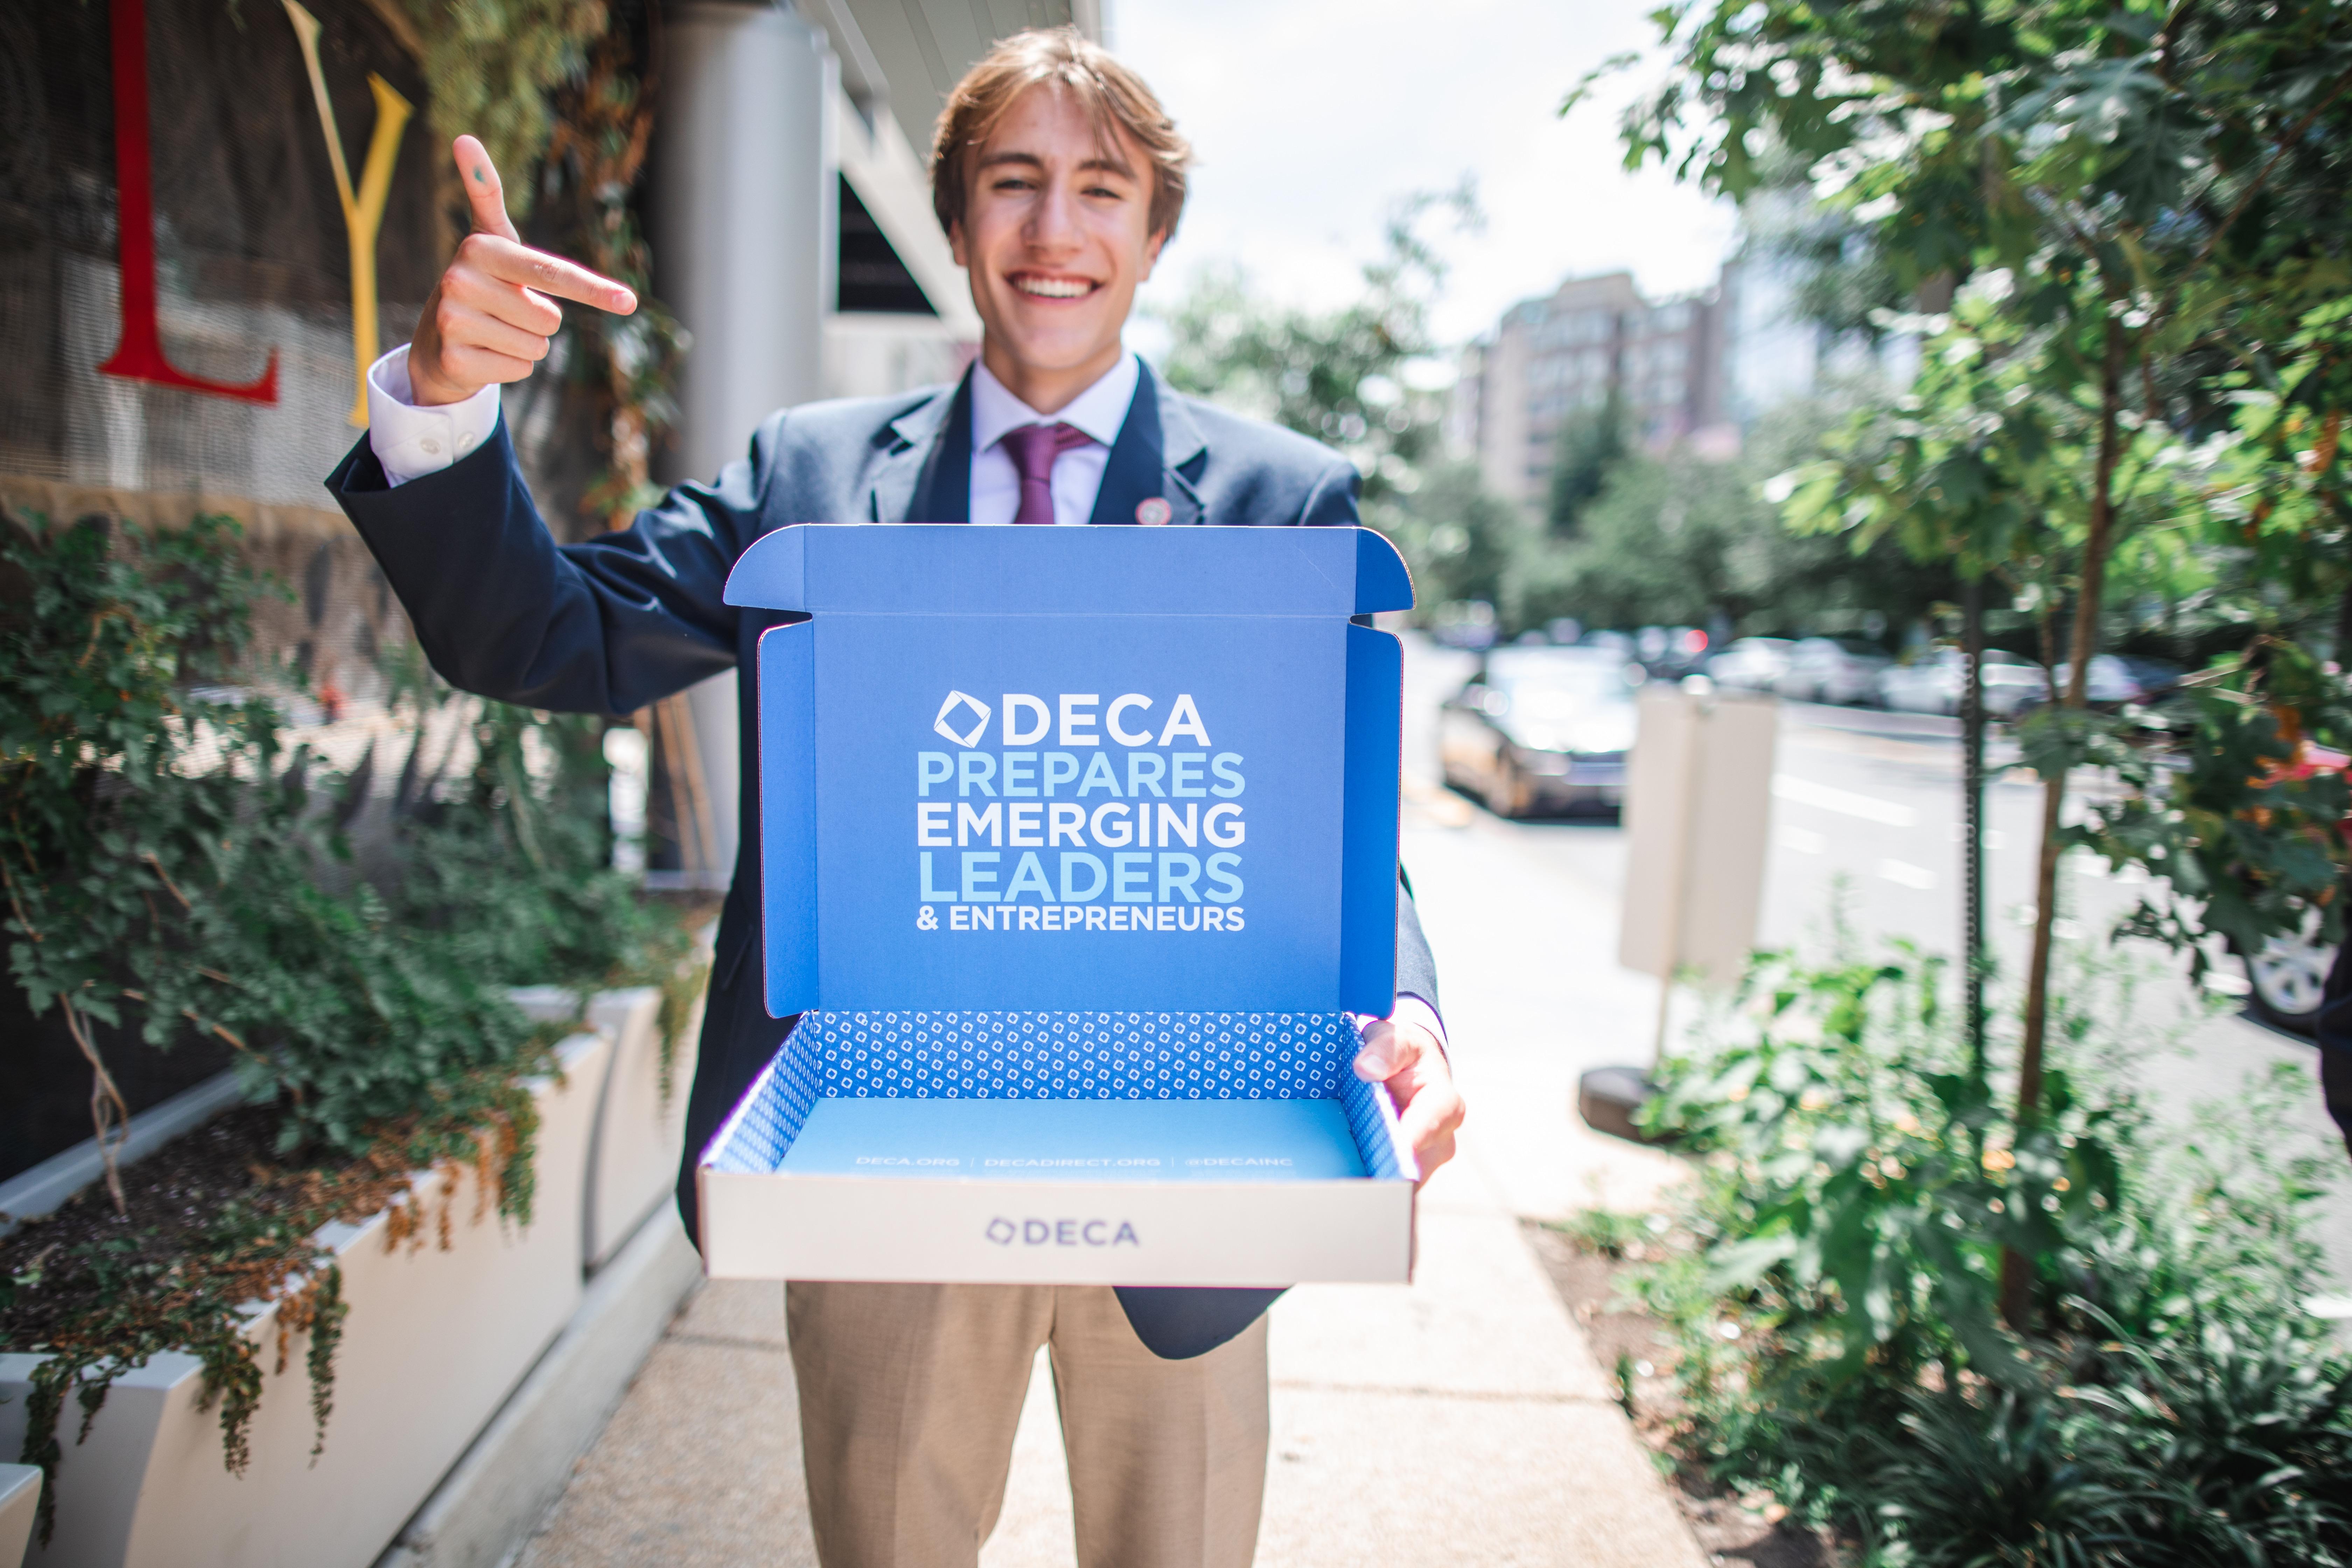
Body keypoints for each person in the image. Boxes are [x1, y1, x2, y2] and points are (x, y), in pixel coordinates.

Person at [328, 27, 1464, 1568]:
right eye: (1014, 181)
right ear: (955, 218)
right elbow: (546, 634)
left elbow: (1334, 828)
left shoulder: (1282, 498)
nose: (1054, 230)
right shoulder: (808, 476)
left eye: (1101, 190)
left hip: (1201, 1161)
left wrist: (1411, 1011)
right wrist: (443, 401)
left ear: (1155, 235)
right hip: (881, 1154)